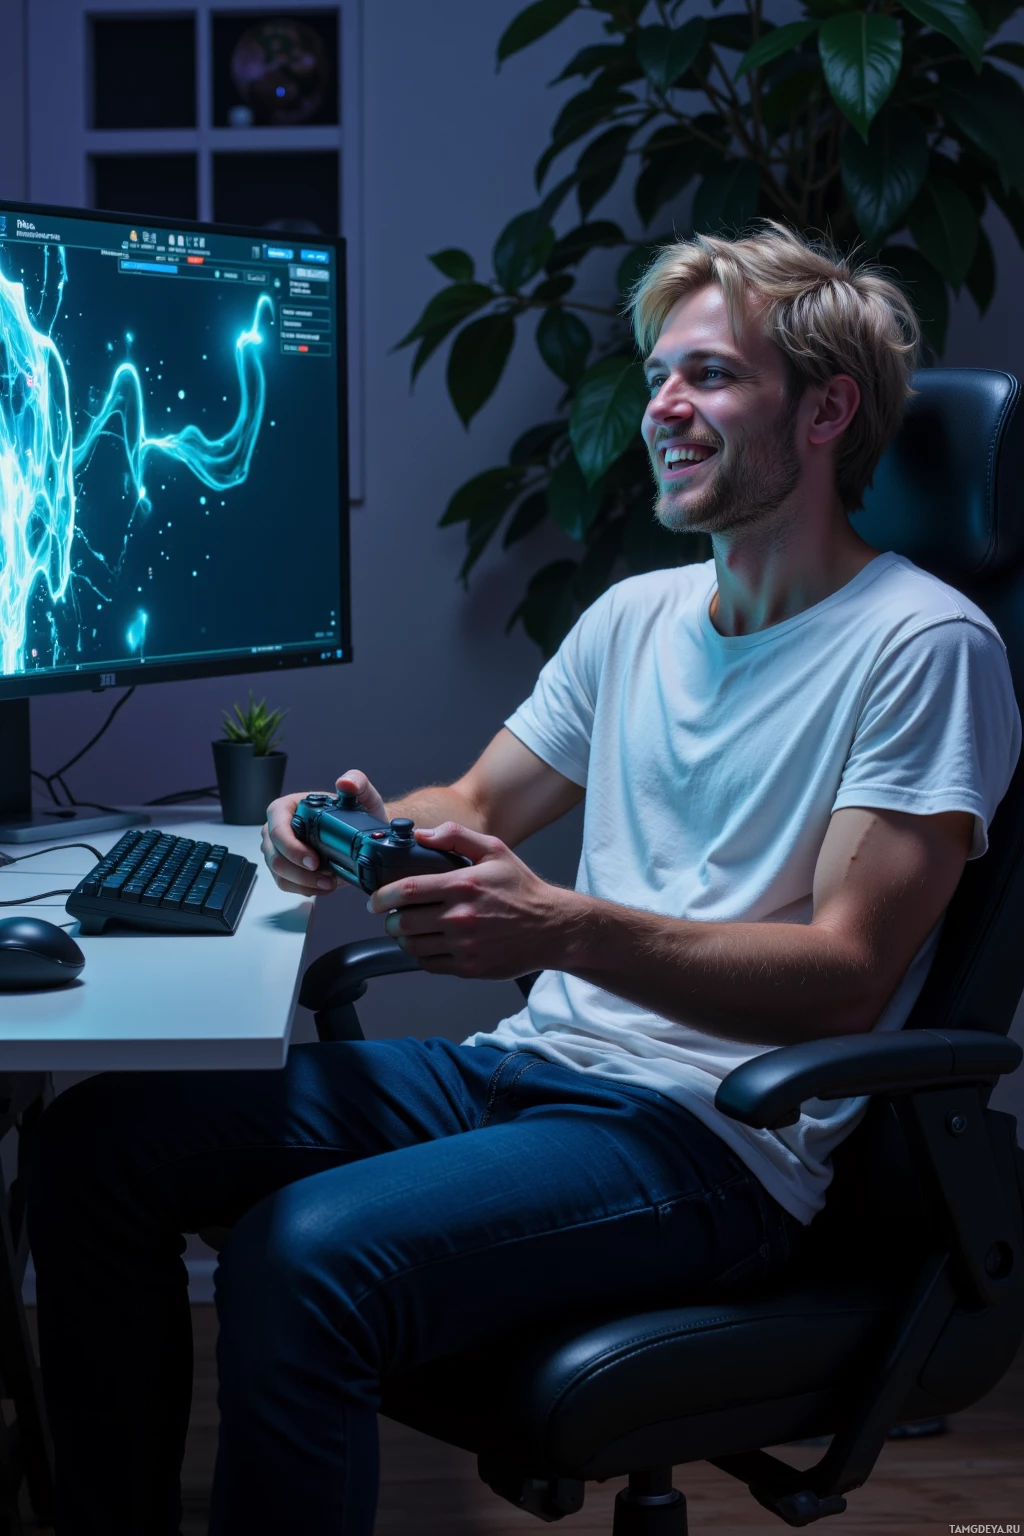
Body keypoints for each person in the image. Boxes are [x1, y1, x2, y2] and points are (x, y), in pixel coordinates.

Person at [26, 222, 1021, 1535]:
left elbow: (847, 983)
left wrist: (555, 928)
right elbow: (476, 803)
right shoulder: (634, 618)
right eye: (660, 372)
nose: (661, 405)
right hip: (531, 1070)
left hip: (713, 1143)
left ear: (828, 409)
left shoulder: (923, 648)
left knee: (301, 1257)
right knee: (95, 1148)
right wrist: (348, 819)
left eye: (711, 376)